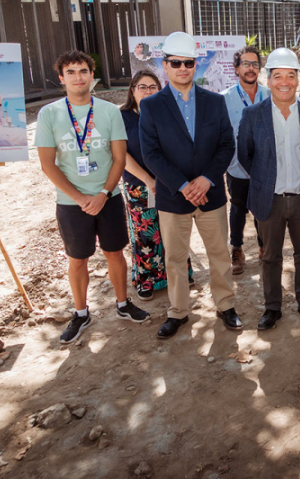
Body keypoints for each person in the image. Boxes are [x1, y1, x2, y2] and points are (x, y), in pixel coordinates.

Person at [36, 50, 149, 344]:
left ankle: (123, 305)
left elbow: (119, 158)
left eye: (83, 71)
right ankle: (81, 312)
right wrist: (80, 197)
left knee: (115, 253)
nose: (77, 77)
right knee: (77, 259)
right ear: (61, 78)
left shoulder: (109, 112)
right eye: (70, 72)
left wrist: (102, 193)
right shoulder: (49, 114)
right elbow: (48, 164)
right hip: (71, 204)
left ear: (92, 76)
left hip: (108, 198)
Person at [139, 31, 241, 338]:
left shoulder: (214, 102)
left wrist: (206, 179)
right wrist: (183, 185)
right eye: (176, 63)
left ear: (195, 65)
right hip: (174, 196)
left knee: (219, 254)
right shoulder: (152, 106)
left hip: (210, 195)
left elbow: (226, 144)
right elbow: (151, 154)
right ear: (165, 65)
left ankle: (225, 306)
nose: (183, 68)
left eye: (188, 62)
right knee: (174, 258)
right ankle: (179, 311)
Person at [237, 48, 300, 330]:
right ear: (269, 78)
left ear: (297, 79)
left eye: (290, 75)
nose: (284, 82)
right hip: (269, 200)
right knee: (270, 256)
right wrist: (264, 179)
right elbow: (245, 155)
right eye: (277, 76)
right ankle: (272, 308)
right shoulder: (253, 115)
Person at [120, 71, 194, 301]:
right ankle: (146, 280)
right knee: (145, 234)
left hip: (169, 183)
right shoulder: (122, 117)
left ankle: (182, 273)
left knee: (173, 230)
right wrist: (148, 180)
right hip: (139, 186)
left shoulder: (166, 113)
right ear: (132, 90)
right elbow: (121, 155)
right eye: (142, 87)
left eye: (153, 87)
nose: (148, 91)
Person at [221, 46, 270, 275]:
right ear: (236, 68)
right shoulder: (224, 99)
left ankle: (263, 245)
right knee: (238, 208)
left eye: (254, 64)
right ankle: (237, 249)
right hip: (237, 167)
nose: (251, 68)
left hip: (264, 167)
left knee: (264, 208)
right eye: (245, 64)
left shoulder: (269, 95)